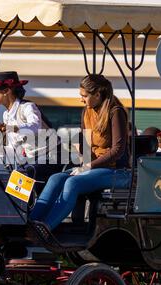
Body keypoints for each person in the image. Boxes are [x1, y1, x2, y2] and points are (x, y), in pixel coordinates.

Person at [29, 74, 130, 231]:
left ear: (97, 94)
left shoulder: (116, 112)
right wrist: (80, 149)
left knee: (72, 182)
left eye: (84, 96)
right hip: (94, 167)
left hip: (116, 170)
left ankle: (45, 229)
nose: (81, 99)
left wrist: (87, 166)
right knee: (56, 178)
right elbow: (86, 141)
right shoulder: (87, 111)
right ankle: (30, 225)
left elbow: (118, 150)